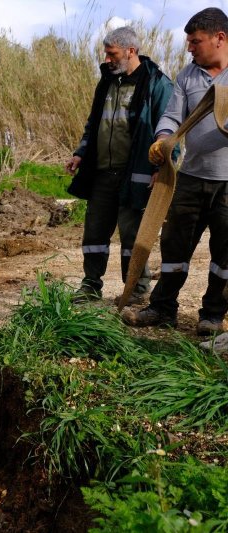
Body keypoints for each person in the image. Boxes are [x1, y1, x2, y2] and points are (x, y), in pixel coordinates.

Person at [122, 7, 228, 335]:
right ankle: (162, 307)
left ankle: (212, 315)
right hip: (192, 178)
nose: (189, 48)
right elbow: (171, 115)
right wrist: (163, 138)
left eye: (195, 41)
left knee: (224, 254)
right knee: (174, 247)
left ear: (219, 38)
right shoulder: (187, 76)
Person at [66, 27, 174, 305]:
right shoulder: (107, 82)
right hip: (102, 173)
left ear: (131, 51)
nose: (107, 58)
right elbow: (94, 122)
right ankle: (90, 285)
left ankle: (136, 290)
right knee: (95, 233)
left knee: (132, 236)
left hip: (135, 174)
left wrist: (162, 170)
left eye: (112, 53)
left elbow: (171, 130)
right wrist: (80, 153)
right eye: (106, 53)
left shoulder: (157, 83)